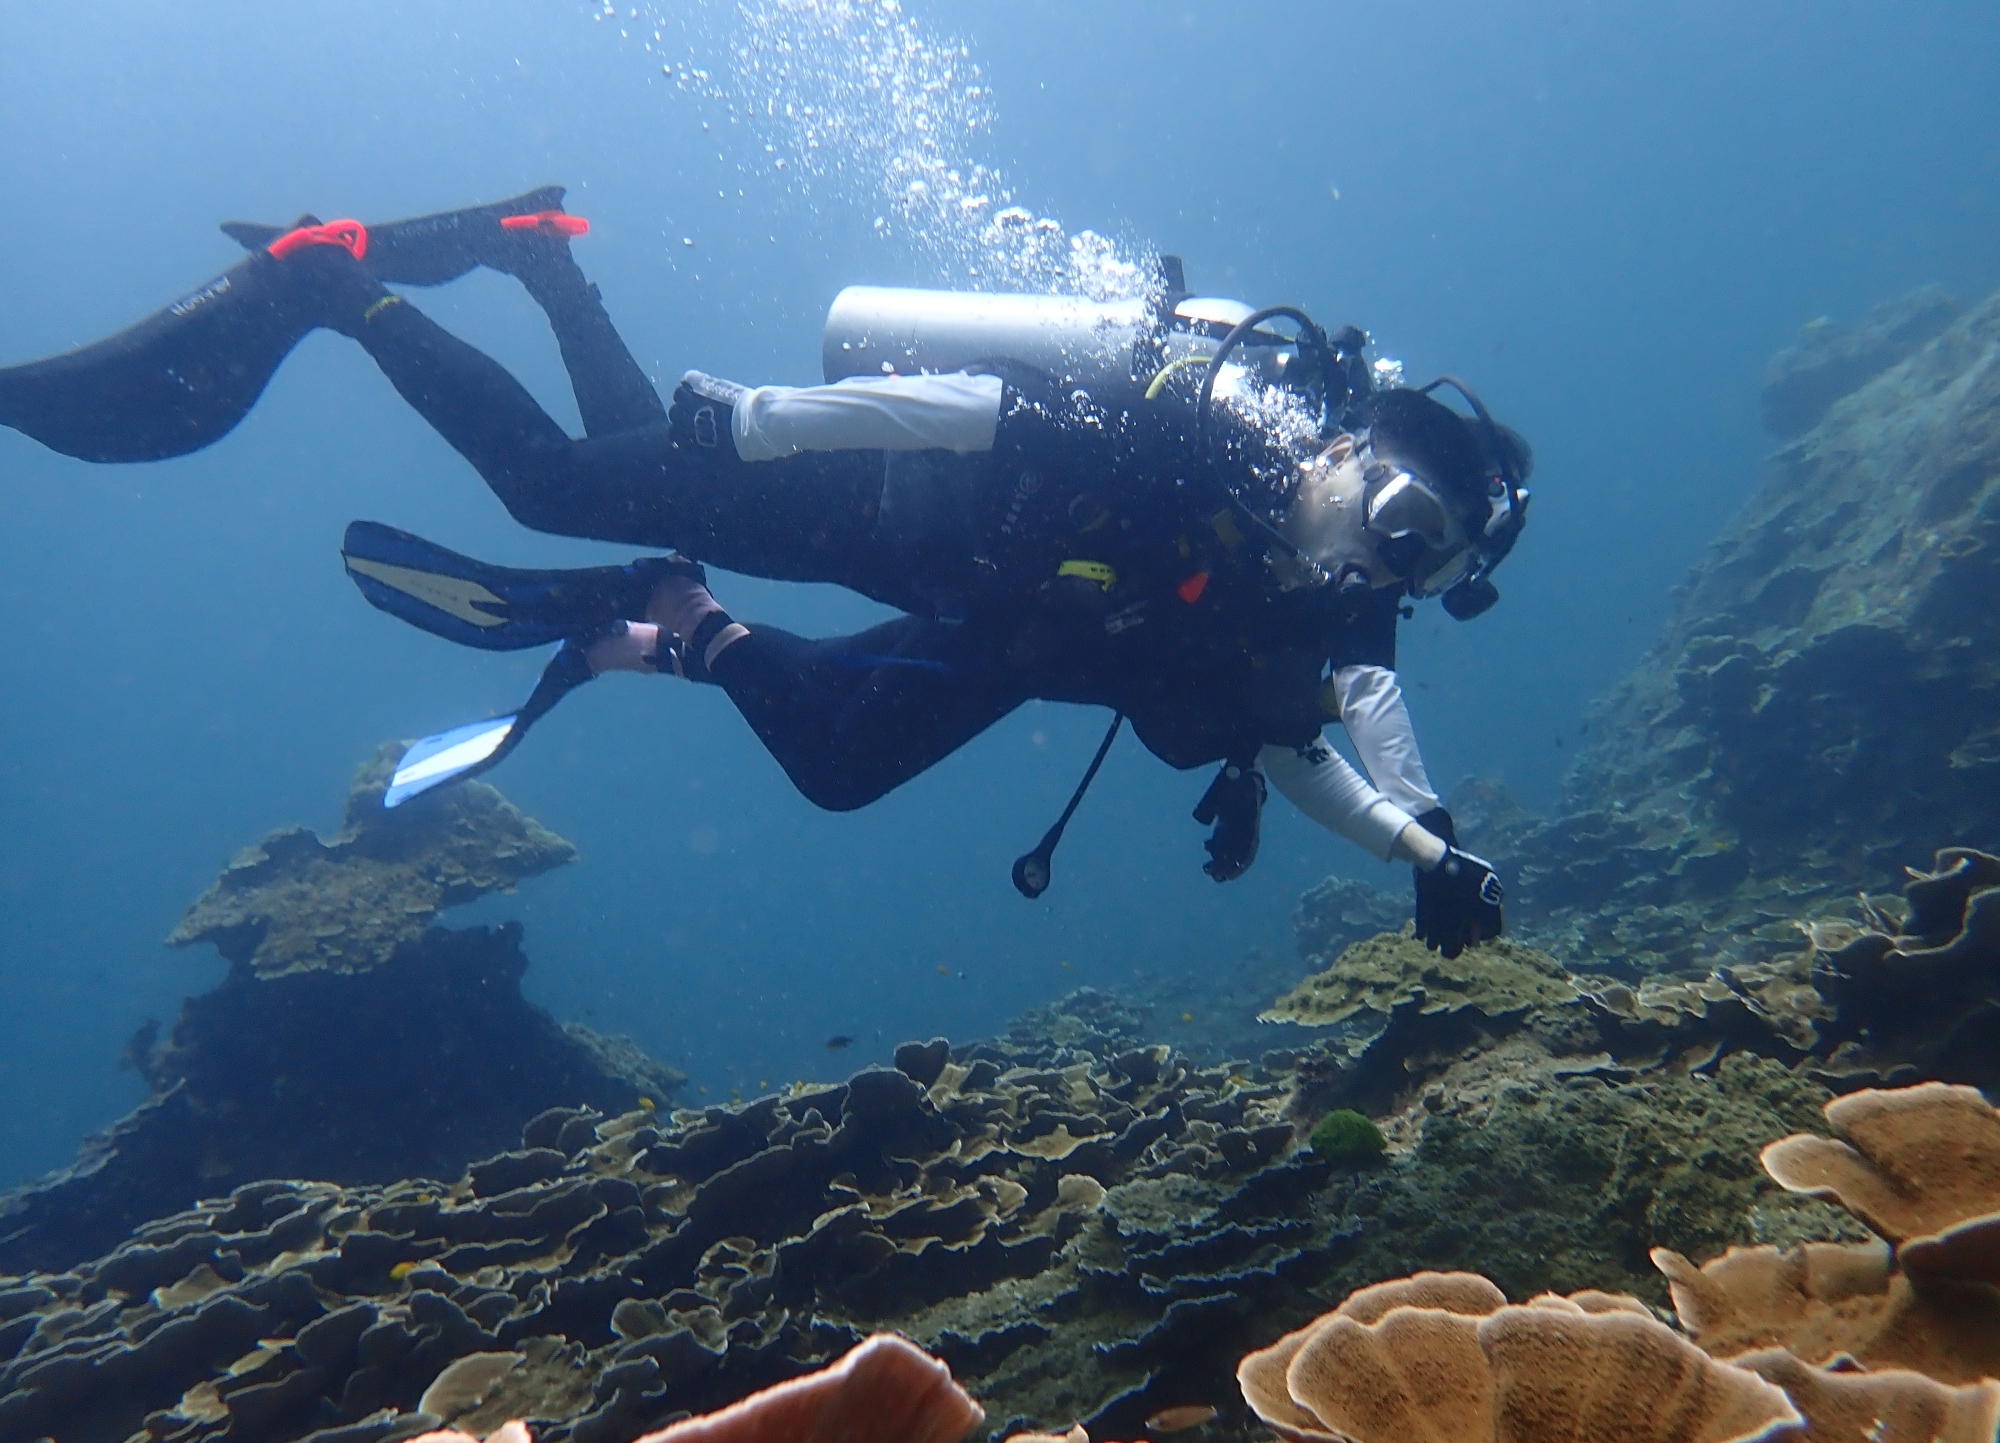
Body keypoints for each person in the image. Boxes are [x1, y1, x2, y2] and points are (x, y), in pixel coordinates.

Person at [0, 189, 1527, 957]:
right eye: (1395, 522)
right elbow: (986, 410)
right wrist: (763, 421)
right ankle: (337, 286)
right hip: (867, 490)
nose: (1385, 561)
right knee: (549, 483)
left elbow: (1311, 733)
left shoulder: (1312, 597)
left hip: (928, 581)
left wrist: (1424, 854)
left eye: (1427, 562)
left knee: (621, 497)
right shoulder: (1208, 436)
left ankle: (542, 256)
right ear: (1353, 455)